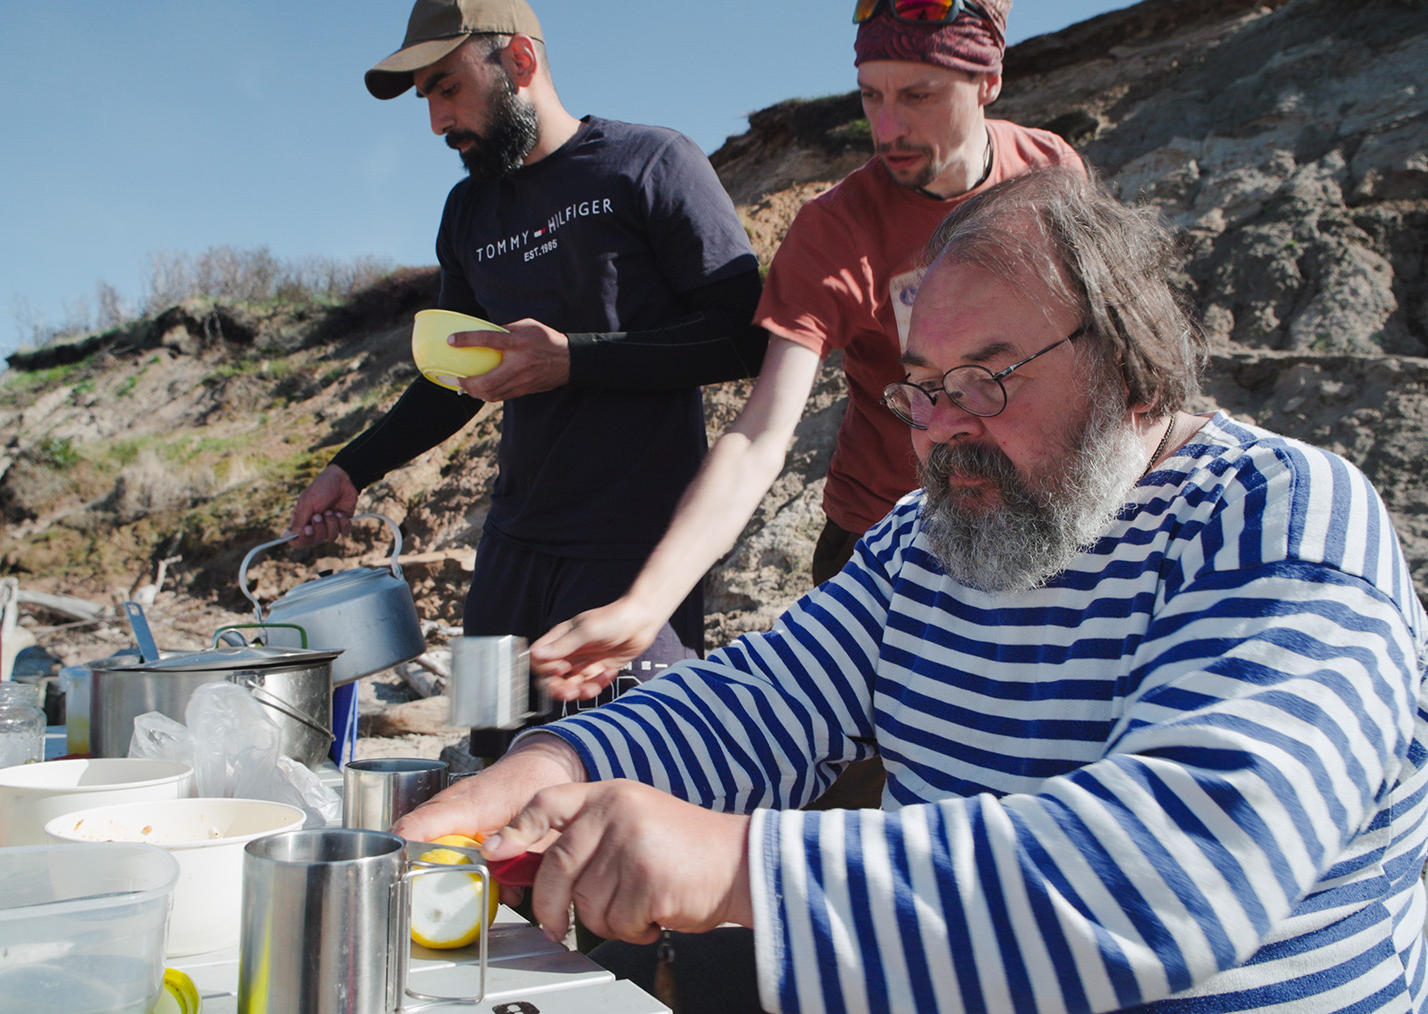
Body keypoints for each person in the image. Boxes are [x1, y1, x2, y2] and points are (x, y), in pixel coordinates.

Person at [396, 166, 1428, 1014]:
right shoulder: (925, 540)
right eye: (923, 389)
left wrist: (732, 866)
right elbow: (759, 702)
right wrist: (541, 767)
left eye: (988, 376)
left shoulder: (1280, 517)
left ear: (1131, 365)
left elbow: (1179, 868)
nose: (940, 431)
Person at [530, 0, 1084, 712]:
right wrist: (645, 606)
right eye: (871, 96)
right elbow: (759, 436)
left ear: (987, 82)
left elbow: (1097, 359)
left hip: (1034, 527)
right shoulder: (836, 230)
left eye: (917, 95)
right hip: (885, 543)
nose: (887, 128)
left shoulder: (1051, 174)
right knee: (857, 791)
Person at [286, 0, 766, 759]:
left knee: (624, 775)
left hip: (632, 549)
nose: (438, 122)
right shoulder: (468, 210)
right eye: (427, 101)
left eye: (448, 88)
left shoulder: (650, 162)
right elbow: (454, 373)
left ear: (519, 61)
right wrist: (354, 466)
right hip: (509, 554)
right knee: (487, 761)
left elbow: (745, 338)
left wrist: (573, 358)